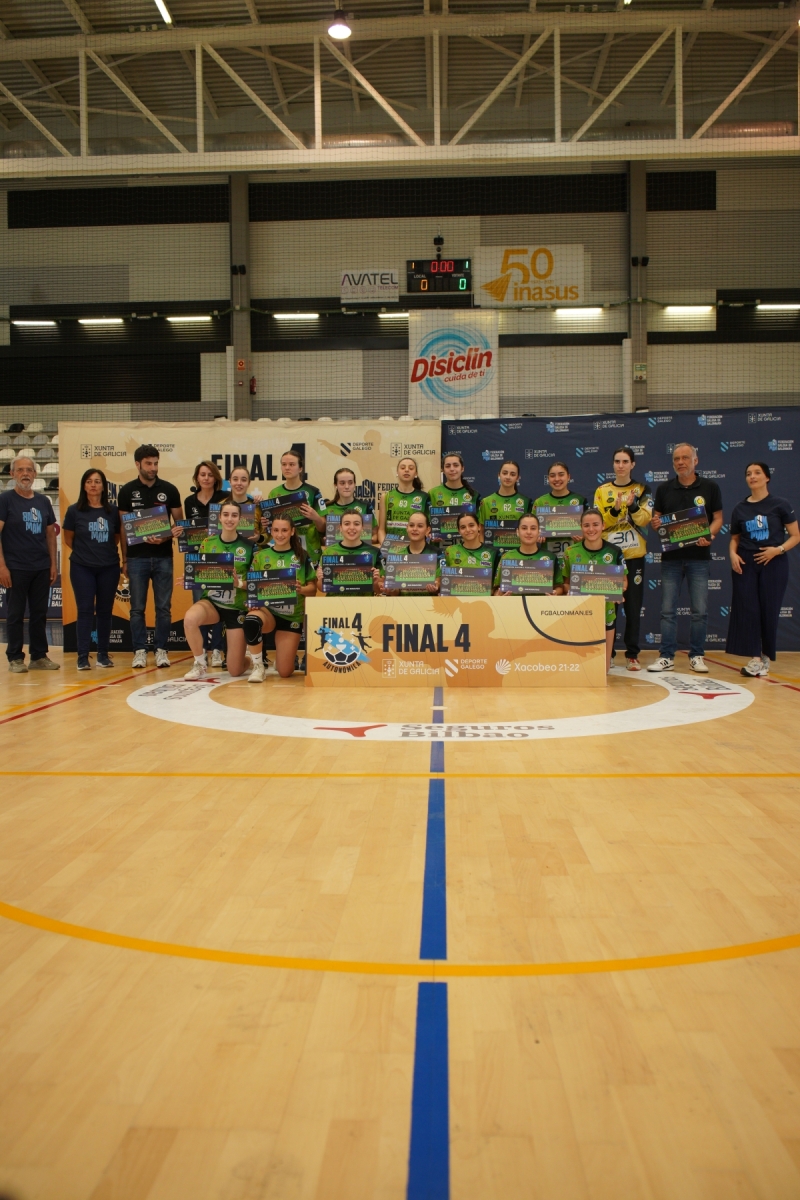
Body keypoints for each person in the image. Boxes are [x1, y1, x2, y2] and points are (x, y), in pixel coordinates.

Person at [648, 443, 723, 674]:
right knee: (667, 610)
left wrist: (710, 535)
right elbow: (657, 519)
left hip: (699, 558)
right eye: (676, 459)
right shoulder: (664, 488)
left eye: (685, 458)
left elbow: (718, 518)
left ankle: (697, 655)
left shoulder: (710, 487)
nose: (680, 462)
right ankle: (666, 656)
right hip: (671, 558)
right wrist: (655, 523)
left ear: (695, 461)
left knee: (699, 610)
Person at [726, 462, 799, 677]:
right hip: (746, 562)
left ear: (767, 477)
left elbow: (795, 536)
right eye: (748, 473)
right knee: (748, 610)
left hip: (773, 561)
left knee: (769, 610)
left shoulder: (780, 504)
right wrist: (733, 554)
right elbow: (734, 539)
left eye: (757, 473)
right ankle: (755, 659)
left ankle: (766, 656)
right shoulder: (740, 508)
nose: (752, 476)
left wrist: (778, 550)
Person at [118, 444, 182, 669]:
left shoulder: (170, 489)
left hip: (164, 557)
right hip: (137, 559)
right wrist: (125, 559)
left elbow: (179, 525)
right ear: (138, 464)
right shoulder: (126, 491)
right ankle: (139, 651)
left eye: (155, 463)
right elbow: (124, 528)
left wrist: (165, 537)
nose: (153, 468)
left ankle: (161, 650)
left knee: (163, 608)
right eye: (148, 464)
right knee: (137, 608)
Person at [593, 446, 653, 672]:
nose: (621, 465)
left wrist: (633, 505)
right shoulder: (602, 490)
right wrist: (615, 511)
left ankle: (632, 655)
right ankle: (608, 653)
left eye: (625, 461)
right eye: (617, 461)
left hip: (634, 556)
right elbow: (598, 522)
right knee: (609, 606)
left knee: (633, 607)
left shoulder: (642, 489)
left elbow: (645, 519)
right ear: (613, 464)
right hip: (609, 557)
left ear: (632, 464)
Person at [183, 499, 254, 681]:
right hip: (212, 603)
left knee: (235, 670)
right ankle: (200, 664)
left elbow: (256, 583)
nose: (230, 519)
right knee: (190, 619)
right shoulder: (207, 543)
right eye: (226, 515)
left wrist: (239, 583)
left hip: (236, 607)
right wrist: (191, 577)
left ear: (240, 519)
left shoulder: (249, 547)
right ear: (219, 518)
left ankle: (248, 659)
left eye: (234, 515)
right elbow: (201, 573)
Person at [0, 456, 59, 672]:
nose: (25, 473)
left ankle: (39, 656)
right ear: (12, 474)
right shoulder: (5, 500)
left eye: (29, 470)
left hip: (41, 567)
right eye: (20, 470)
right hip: (15, 568)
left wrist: (53, 564)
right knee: (15, 614)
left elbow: (50, 534)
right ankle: (15, 658)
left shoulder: (43, 501)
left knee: (39, 613)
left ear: (35, 474)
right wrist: (2, 567)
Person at [245, 514, 317, 682]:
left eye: (284, 530)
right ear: (271, 531)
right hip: (267, 613)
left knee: (285, 672)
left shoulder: (302, 556)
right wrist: (252, 602)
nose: (280, 534)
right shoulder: (260, 556)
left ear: (292, 531)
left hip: (291, 616)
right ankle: (258, 666)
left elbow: (313, 590)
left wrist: (301, 589)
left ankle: (284, 658)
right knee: (252, 619)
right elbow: (252, 586)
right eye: (276, 530)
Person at [62, 468, 121, 670]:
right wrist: (86, 553)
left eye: (97, 481)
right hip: (82, 567)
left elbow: (116, 538)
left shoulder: (113, 511)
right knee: (85, 610)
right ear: (84, 486)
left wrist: (102, 552)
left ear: (104, 486)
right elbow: (68, 538)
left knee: (105, 611)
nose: (93, 485)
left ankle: (103, 655)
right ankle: (82, 657)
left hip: (109, 567)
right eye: (89, 481)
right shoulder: (74, 511)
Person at [560, 508, 627, 673]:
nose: (591, 529)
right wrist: (573, 590)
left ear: (603, 526)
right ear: (581, 527)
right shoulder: (570, 552)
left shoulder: (615, 551)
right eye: (586, 525)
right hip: (578, 611)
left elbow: (624, 581)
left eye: (595, 524)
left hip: (606, 611)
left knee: (603, 670)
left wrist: (618, 591)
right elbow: (565, 584)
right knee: (578, 669)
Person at [184, 460, 227, 668]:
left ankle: (217, 649)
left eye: (210, 475)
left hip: (219, 557)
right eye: (203, 474)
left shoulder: (224, 498)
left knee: (218, 602)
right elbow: (189, 529)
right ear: (197, 478)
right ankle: (200, 653)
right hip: (196, 558)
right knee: (199, 603)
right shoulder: (189, 501)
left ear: (216, 478)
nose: (206, 478)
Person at [267, 449, 326, 562]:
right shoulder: (274, 493)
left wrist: (315, 517)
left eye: (292, 464)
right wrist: (266, 523)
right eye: (284, 464)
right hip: (284, 552)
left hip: (310, 550)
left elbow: (323, 527)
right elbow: (270, 527)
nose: (287, 468)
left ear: (300, 468)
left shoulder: (313, 492)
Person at [316, 510, 382, 595]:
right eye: (347, 524)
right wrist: (321, 579)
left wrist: (375, 582)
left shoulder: (375, 552)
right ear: (340, 527)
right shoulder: (329, 552)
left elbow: (379, 590)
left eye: (356, 524)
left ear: (362, 527)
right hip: (335, 602)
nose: (351, 527)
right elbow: (321, 588)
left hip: (364, 603)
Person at [494, 512, 561, 595]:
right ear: (517, 532)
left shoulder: (550, 557)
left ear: (539, 532)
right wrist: (498, 596)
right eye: (524, 528)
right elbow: (496, 589)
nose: (529, 532)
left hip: (541, 603)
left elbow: (559, 587)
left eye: (533, 528)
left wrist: (556, 593)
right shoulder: (507, 557)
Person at [533, 461, 586, 565]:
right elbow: (531, 529)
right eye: (552, 476)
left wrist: (583, 536)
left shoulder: (580, 500)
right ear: (548, 479)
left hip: (575, 557)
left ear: (568, 477)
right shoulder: (540, 502)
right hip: (547, 559)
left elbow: (590, 528)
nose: (557, 479)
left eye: (561, 475)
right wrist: (537, 535)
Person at [382, 511, 440, 594]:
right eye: (411, 525)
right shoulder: (397, 556)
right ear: (407, 528)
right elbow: (396, 592)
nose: (414, 529)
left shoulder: (437, 554)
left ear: (428, 530)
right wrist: (391, 590)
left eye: (420, 526)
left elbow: (439, 584)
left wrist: (436, 586)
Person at [378, 457, 428, 547]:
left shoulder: (424, 497)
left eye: (411, 468)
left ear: (416, 474)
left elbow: (428, 529)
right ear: (397, 472)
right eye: (402, 467)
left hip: (415, 549)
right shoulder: (386, 496)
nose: (406, 470)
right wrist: (386, 548)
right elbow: (381, 530)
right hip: (391, 548)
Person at [324, 467, 376, 545]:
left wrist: (366, 540)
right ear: (336, 485)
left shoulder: (366, 506)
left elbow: (375, 535)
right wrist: (326, 540)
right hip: (336, 551)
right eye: (342, 483)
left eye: (350, 483)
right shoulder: (327, 508)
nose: (347, 486)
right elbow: (322, 537)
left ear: (354, 484)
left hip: (360, 551)